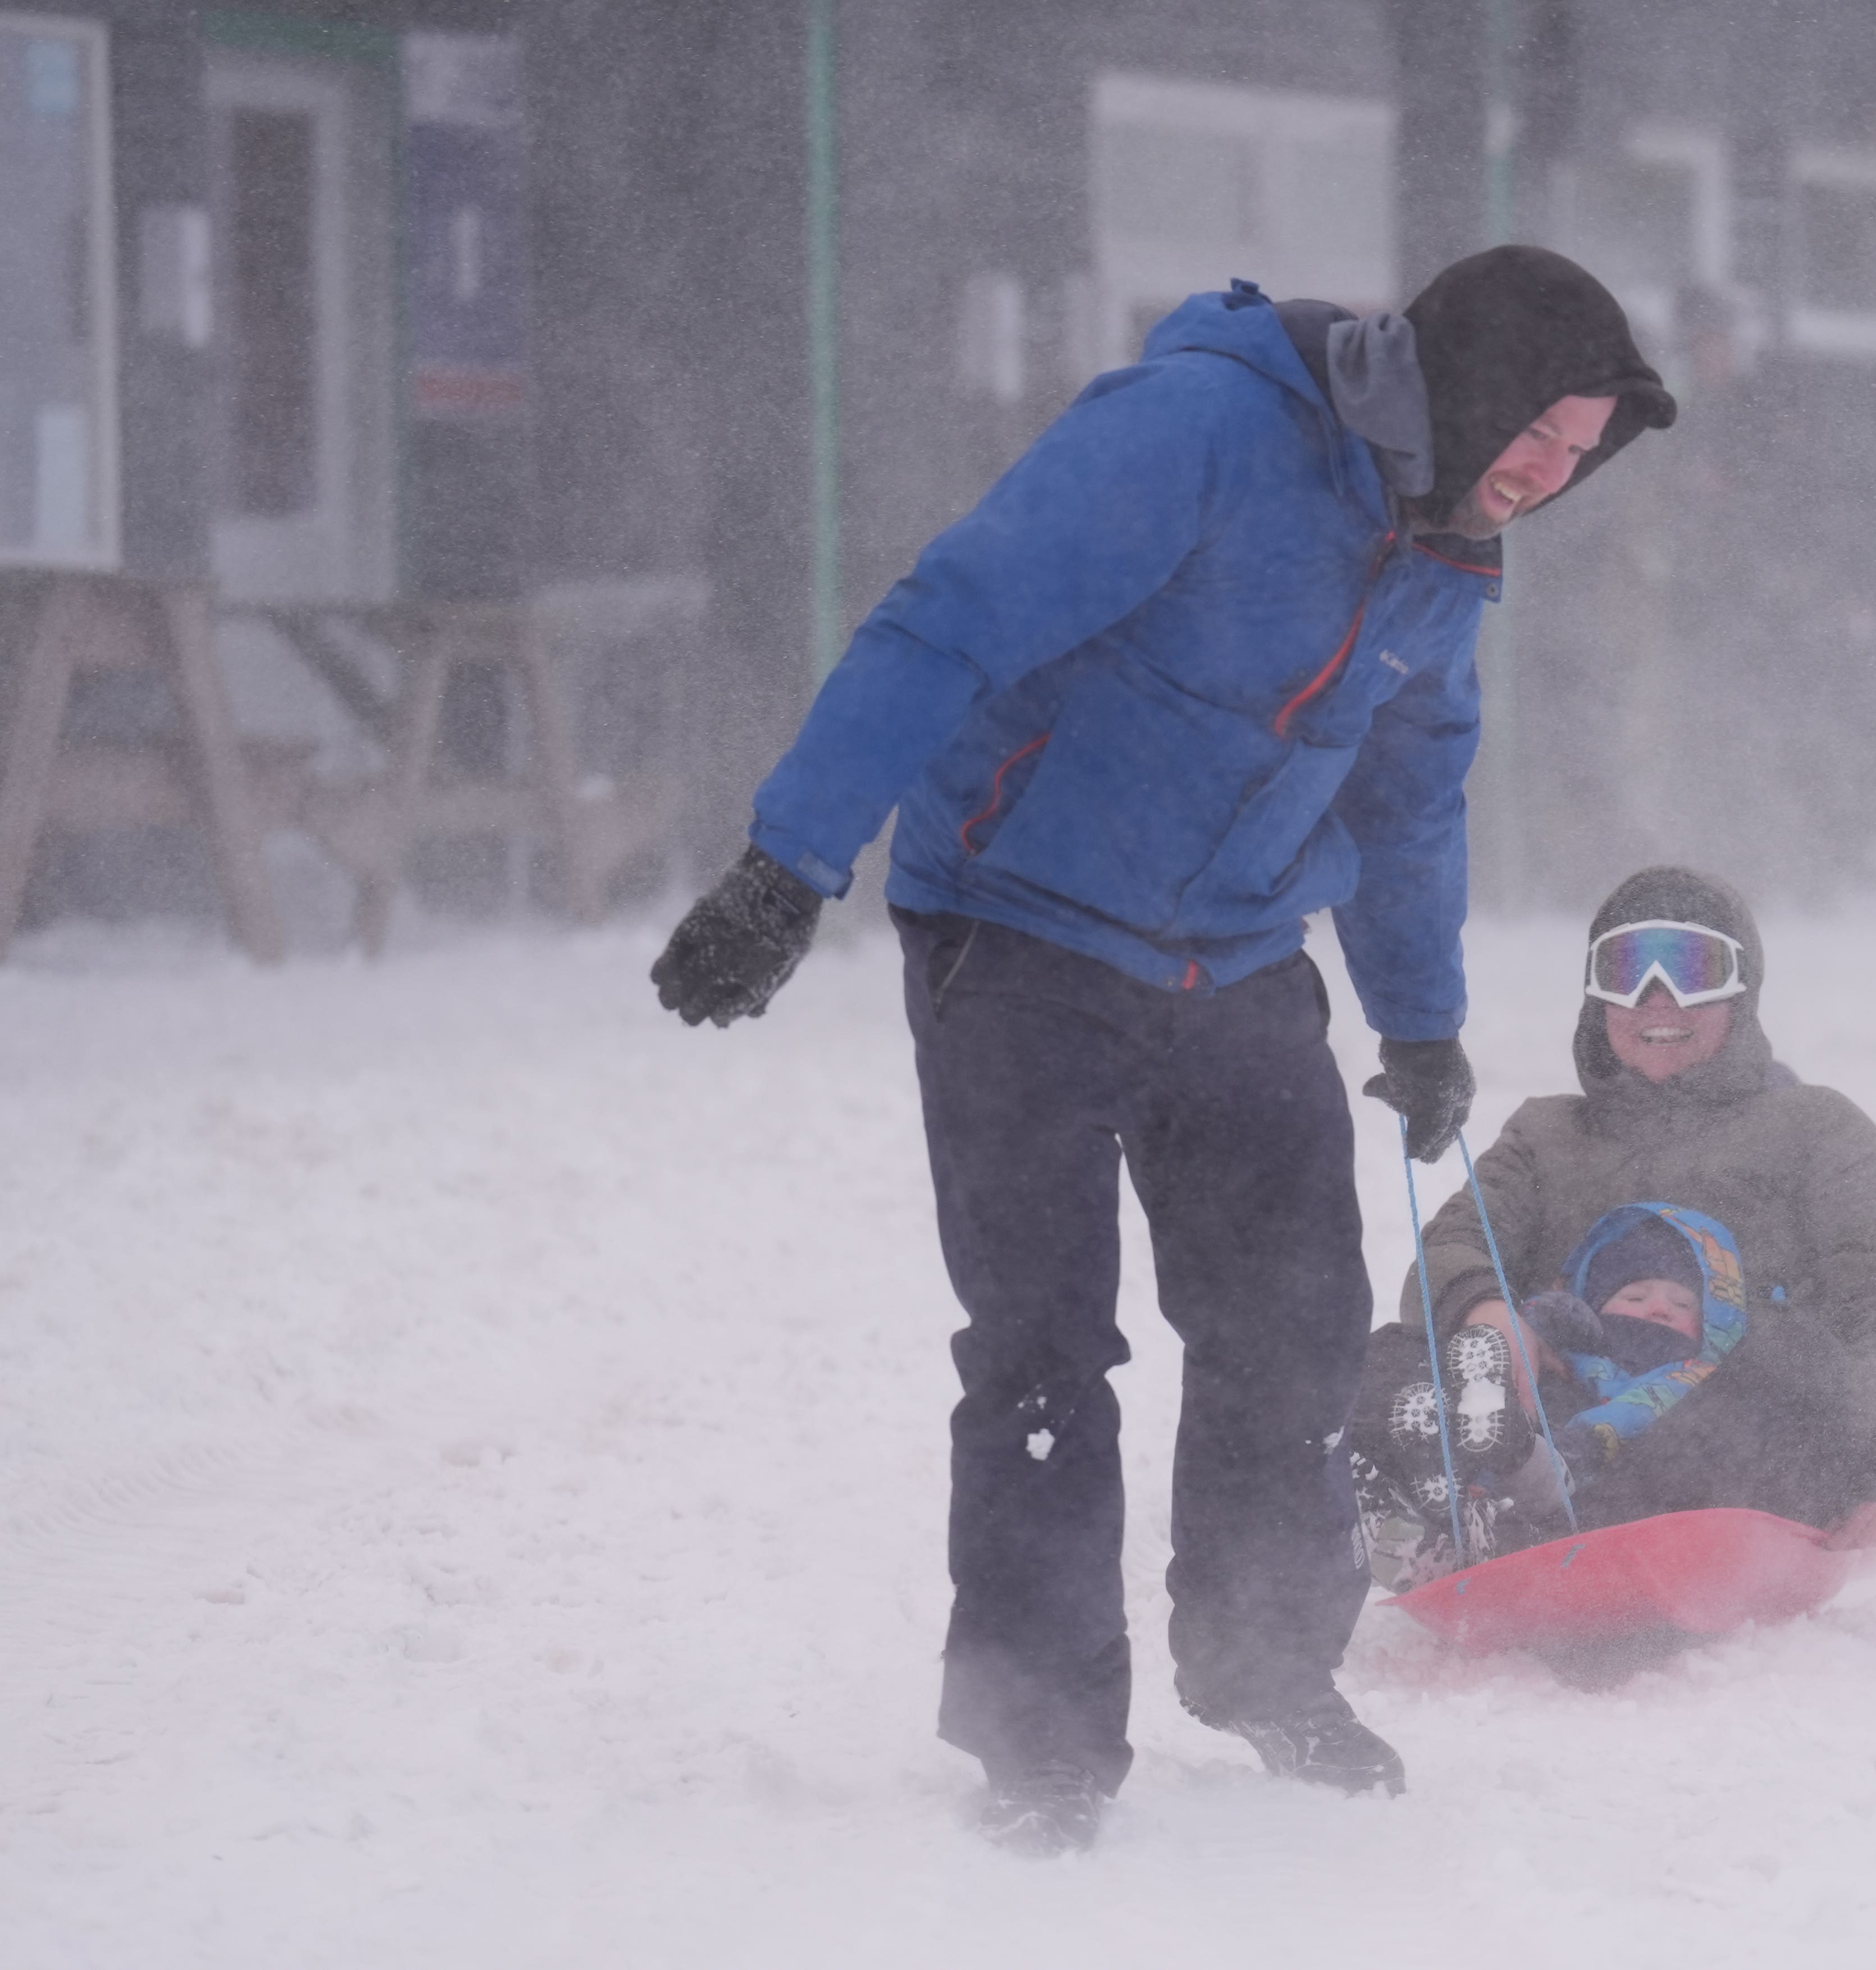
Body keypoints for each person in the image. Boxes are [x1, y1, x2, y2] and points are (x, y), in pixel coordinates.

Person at [646, 248, 1674, 1855]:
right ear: (1464, 389)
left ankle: (1268, 1665)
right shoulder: (1197, 431)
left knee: (1298, 1323)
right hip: (1019, 925)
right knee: (1044, 1344)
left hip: (1240, 951)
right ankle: (1039, 1737)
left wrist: (1420, 1018)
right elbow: (952, 616)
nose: (1543, 483)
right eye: (1533, 439)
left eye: (1573, 462)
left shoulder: (1448, 550)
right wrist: (793, 861)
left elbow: (1409, 795)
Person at [1351, 865, 1876, 1587]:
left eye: (1692, 968)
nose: (1658, 999)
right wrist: (1490, 1314)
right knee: (1392, 1360)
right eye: (1626, 969)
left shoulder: (1815, 1128)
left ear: (1740, 989)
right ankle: (1444, 1503)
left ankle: (1532, 1519)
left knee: (1735, 1392)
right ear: (1596, 996)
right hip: (1573, 1405)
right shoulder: (1546, 1133)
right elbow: (1453, 1245)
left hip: (1757, 1416)